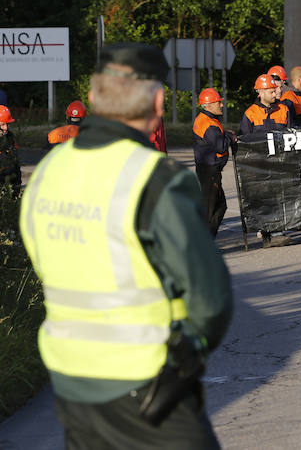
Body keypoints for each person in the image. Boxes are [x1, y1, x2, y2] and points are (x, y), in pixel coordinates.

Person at [18, 42, 232, 448]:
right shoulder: (155, 177)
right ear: (157, 102)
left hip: (72, 384)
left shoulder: (47, 174)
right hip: (148, 384)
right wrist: (186, 359)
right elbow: (212, 300)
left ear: (95, 96)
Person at [241, 74, 293, 248]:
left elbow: (291, 134)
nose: (275, 93)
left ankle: (278, 232)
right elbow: (245, 142)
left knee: (280, 197)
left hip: (279, 164)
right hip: (259, 166)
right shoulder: (250, 114)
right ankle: (267, 234)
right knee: (264, 200)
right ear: (260, 92)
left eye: (274, 90)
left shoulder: (284, 109)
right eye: (271, 91)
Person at [193, 87, 235, 236]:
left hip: (208, 170)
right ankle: (203, 243)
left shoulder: (206, 119)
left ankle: (206, 240)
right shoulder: (208, 124)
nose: (221, 105)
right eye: (218, 102)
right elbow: (221, 145)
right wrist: (230, 137)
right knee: (211, 210)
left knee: (219, 206)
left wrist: (225, 134)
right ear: (209, 105)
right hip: (209, 171)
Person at [0, 105, 21, 194]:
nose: (6, 128)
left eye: (7, 124)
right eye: (3, 124)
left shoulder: (10, 137)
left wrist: (17, 187)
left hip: (9, 185)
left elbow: (16, 164)